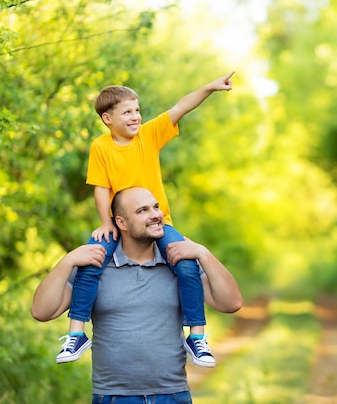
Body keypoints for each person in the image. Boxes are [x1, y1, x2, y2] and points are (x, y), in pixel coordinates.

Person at [57, 72, 235, 367]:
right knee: (90, 261)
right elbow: (101, 189)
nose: (136, 116)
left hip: (158, 221)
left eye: (137, 110)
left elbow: (181, 107)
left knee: (186, 263)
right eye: (127, 112)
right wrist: (105, 223)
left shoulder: (149, 135)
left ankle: (197, 335)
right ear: (107, 118)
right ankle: (77, 333)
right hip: (120, 223)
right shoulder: (101, 147)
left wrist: (210, 87)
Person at [31, 187, 243, 403]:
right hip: (113, 397)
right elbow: (42, 311)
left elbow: (231, 302)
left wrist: (203, 254)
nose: (155, 215)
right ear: (121, 222)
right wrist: (68, 260)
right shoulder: (96, 265)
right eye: (142, 210)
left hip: (172, 396)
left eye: (156, 207)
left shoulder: (178, 262)